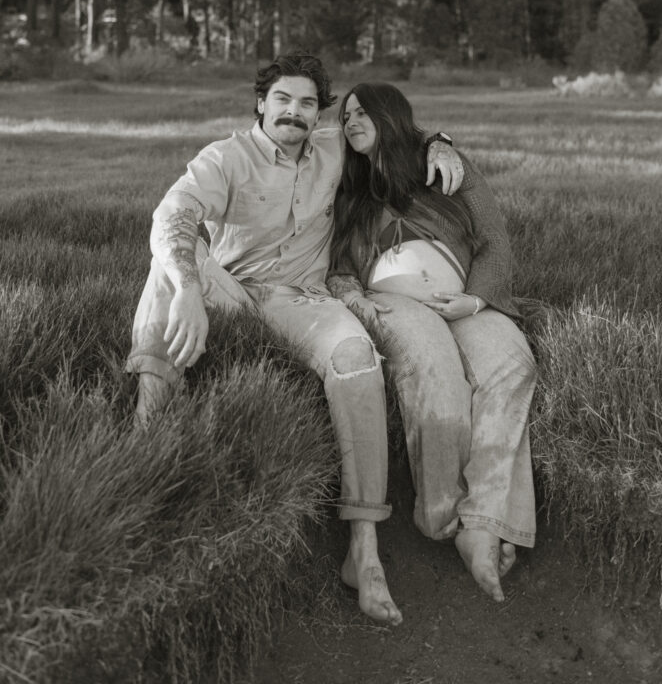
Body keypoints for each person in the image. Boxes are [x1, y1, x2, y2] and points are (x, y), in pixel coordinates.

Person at [126, 51, 463, 627]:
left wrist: (441, 142)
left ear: (317, 112)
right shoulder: (225, 157)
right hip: (231, 288)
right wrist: (189, 286)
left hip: (301, 298)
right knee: (169, 269)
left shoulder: (331, 147)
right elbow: (173, 216)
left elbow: (389, 132)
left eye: (308, 102)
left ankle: (364, 550)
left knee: (357, 356)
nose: (295, 111)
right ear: (262, 102)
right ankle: (146, 443)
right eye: (283, 99)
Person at [328, 82, 537, 604]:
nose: (350, 121)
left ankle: (483, 523)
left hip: (464, 299)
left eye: (363, 113)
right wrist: (352, 296)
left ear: (392, 117)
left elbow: (494, 239)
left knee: (512, 365)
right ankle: (443, 516)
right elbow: (335, 264)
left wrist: (477, 299)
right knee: (436, 372)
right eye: (345, 114)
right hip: (392, 304)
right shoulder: (342, 179)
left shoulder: (444, 167)